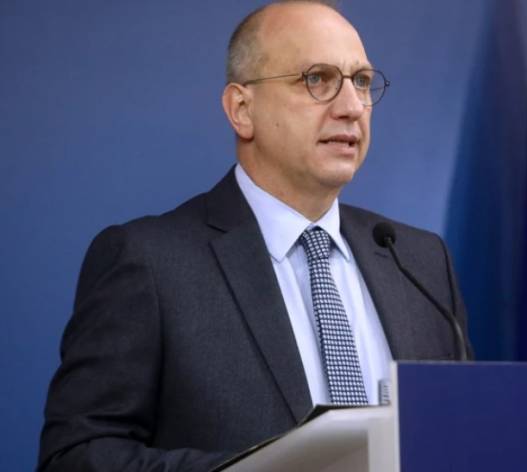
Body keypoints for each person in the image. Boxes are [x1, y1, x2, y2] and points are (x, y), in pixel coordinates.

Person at [38, 1, 471, 470]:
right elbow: (75, 457)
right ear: (241, 110)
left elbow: (466, 433)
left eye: (362, 81)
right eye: (317, 79)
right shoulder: (149, 263)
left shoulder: (419, 262)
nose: (351, 108)